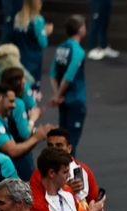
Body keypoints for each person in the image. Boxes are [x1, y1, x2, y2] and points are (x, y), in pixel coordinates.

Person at [49, 16, 88, 154]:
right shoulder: (78, 51)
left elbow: (52, 74)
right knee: (70, 144)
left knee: (62, 140)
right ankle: (69, 173)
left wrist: (56, 95)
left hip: (63, 101)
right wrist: (58, 95)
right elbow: (68, 76)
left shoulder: (61, 48)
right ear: (80, 29)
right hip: (75, 100)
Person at [11, 0, 51, 86]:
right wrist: (46, 32)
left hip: (19, 59)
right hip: (33, 63)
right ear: (36, 3)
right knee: (31, 90)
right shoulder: (38, 20)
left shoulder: (17, 17)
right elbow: (43, 43)